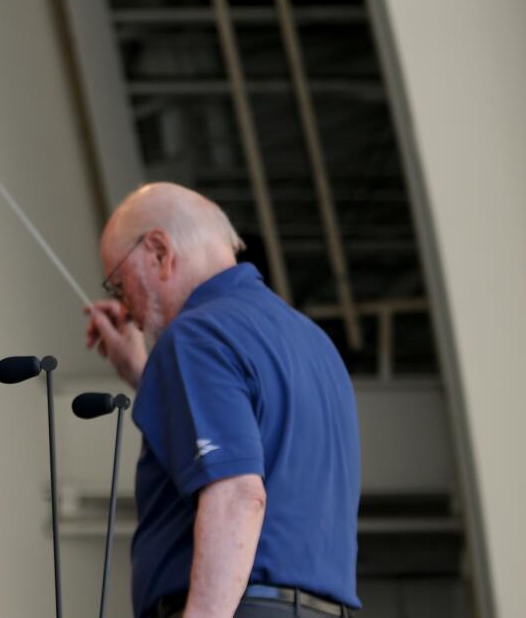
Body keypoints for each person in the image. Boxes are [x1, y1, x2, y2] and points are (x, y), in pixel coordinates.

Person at [84, 183, 361, 618]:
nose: (126, 306)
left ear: (158, 250)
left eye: (120, 283)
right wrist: (145, 374)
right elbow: (251, 439)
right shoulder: (312, 342)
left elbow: (238, 494)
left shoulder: (196, 336)